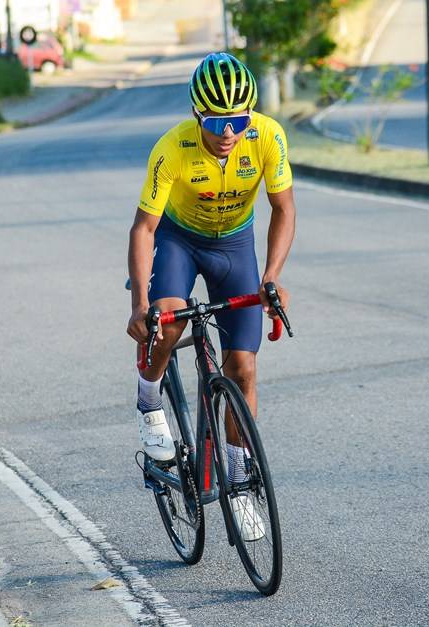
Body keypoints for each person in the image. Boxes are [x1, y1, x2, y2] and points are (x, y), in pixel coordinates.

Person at [126, 53, 296, 535]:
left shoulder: (267, 136)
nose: (228, 131)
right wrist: (140, 304)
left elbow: (283, 208)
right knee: (170, 320)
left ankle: (241, 483)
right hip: (180, 241)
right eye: (217, 121)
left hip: (235, 245)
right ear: (198, 114)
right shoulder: (172, 148)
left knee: (242, 368)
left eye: (238, 120)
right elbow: (144, 227)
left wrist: (272, 275)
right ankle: (148, 398)